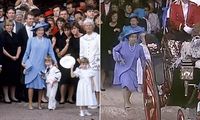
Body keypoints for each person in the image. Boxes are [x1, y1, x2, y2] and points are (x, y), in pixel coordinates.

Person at [22, 21, 57, 110]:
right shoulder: (31, 40)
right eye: (39, 30)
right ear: (36, 31)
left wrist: (55, 62)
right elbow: (27, 52)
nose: (41, 32)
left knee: (41, 86)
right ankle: (30, 104)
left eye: (42, 30)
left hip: (43, 65)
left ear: (44, 31)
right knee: (30, 86)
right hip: (32, 65)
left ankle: (39, 104)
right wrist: (23, 62)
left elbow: (51, 52)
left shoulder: (47, 41)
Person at [112, 26, 146, 109]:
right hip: (122, 67)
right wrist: (119, 58)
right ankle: (126, 102)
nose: (133, 38)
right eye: (131, 37)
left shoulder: (139, 48)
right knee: (125, 84)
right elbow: (115, 50)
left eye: (135, 37)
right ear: (128, 38)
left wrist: (144, 68)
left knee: (131, 86)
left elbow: (143, 59)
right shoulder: (122, 44)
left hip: (132, 68)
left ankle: (128, 99)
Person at [80, 18, 100, 107]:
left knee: (96, 84)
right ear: (84, 27)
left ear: (93, 26)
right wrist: (82, 63)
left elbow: (99, 50)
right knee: (88, 84)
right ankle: (91, 102)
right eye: (86, 25)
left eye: (90, 25)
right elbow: (82, 52)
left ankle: (98, 102)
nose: (88, 27)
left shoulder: (97, 36)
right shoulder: (82, 38)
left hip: (95, 63)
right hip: (86, 65)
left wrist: (98, 61)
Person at [1, 19, 22, 103]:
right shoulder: (2, 35)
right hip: (6, 60)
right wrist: (11, 56)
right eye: (7, 25)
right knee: (6, 79)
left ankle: (13, 96)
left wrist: (17, 56)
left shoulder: (15, 35)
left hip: (15, 60)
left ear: (13, 26)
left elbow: (19, 46)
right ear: (4, 27)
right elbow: (2, 49)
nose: (9, 27)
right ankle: (6, 97)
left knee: (14, 78)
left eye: (11, 25)